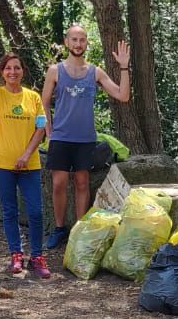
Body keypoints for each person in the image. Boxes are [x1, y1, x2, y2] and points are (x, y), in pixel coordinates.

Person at [39, 24, 131, 252]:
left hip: (85, 139)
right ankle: (59, 228)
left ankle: (79, 230)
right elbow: (43, 104)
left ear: (86, 43)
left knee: (82, 183)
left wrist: (124, 67)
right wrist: (48, 133)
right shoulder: (55, 71)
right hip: (60, 138)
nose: (78, 44)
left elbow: (123, 95)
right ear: (66, 42)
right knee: (59, 183)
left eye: (82, 40)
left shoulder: (95, 72)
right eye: (74, 39)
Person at [0, 32, 50, 277]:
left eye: (17, 68)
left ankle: (38, 257)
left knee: (35, 211)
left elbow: (41, 127)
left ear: (22, 71)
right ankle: (16, 255)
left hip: (29, 164)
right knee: (9, 211)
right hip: (1, 164)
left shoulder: (32, 97)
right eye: (8, 68)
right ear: (3, 73)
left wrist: (26, 154)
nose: (13, 72)